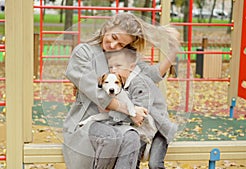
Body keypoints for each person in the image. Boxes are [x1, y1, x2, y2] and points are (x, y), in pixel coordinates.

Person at [63, 13, 180, 169]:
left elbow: (151, 75)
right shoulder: (83, 53)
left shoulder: (122, 56)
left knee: (132, 136)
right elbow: (96, 93)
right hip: (88, 123)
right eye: (114, 37)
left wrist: (173, 51)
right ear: (108, 27)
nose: (114, 45)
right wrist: (131, 111)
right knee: (112, 137)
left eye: (121, 44)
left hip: (117, 122)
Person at [105, 47, 178, 169]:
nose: (113, 70)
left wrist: (115, 117)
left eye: (118, 66)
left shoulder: (139, 83)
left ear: (132, 67)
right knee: (131, 157)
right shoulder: (121, 81)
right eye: (111, 67)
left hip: (158, 129)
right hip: (142, 130)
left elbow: (140, 112)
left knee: (154, 164)